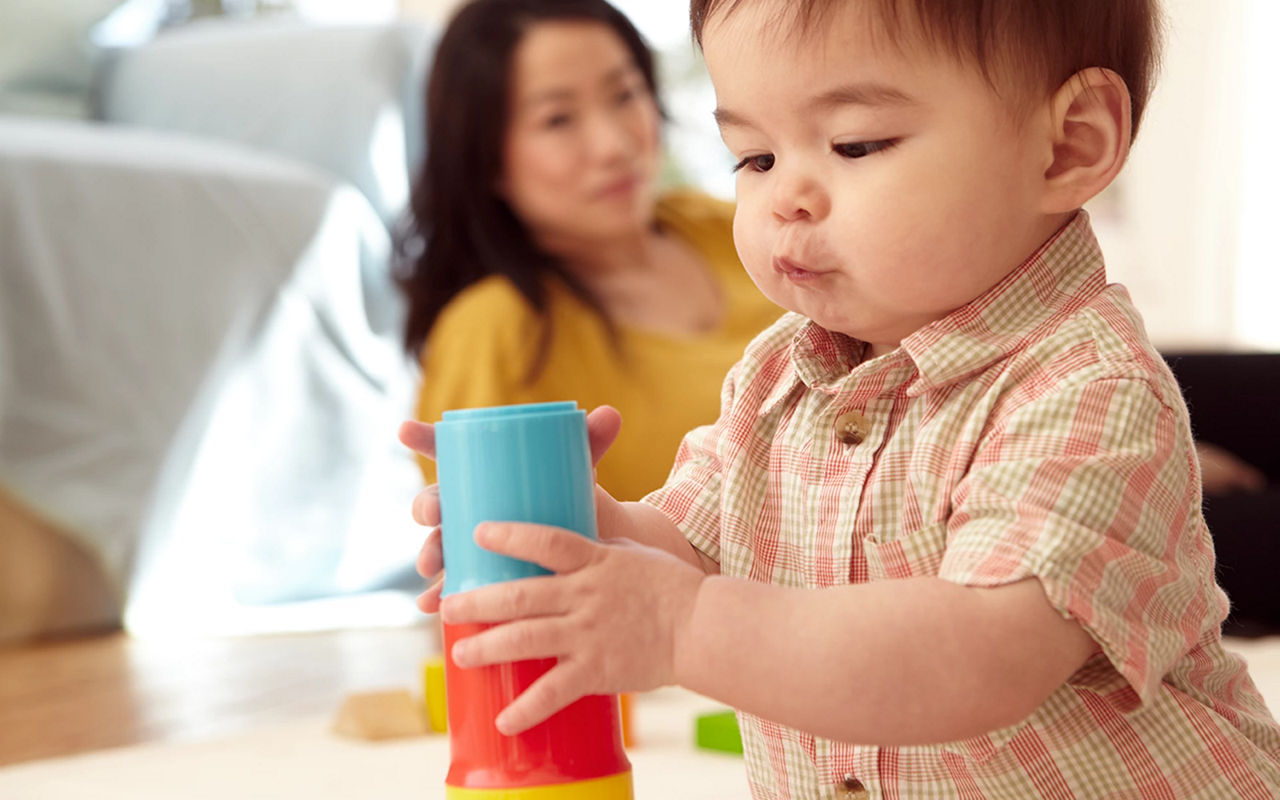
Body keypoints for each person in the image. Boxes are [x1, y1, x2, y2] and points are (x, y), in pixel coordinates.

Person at [401, 0, 1280, 796]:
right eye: (754, 155)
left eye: (855, 145)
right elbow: (698, 542)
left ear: (1069, 145)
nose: (785, 197)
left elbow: (978, 655)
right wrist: (590, 538)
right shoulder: (775, 375)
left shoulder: (1091, 388)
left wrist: (683, 628)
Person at [397, 0, 781, 502]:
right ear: (486, 157)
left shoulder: (726, 224)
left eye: (624, 94)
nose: (613, 145)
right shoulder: (494, 334)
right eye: (558, 120)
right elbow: (503, 564)